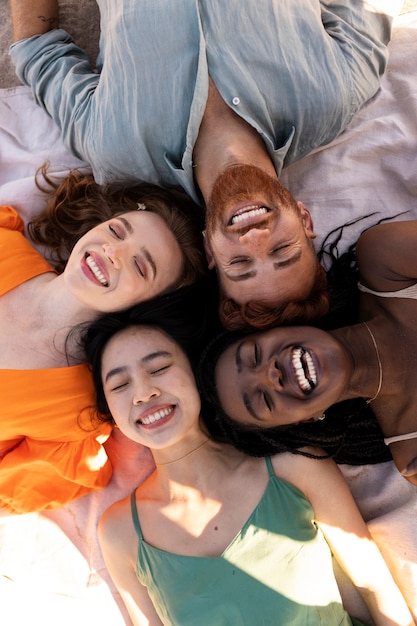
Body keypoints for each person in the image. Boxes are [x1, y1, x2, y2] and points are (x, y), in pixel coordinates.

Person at [9, 0, 401, 328]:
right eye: (282, 250)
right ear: (305, 219)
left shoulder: (118, 151)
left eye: (241, 264)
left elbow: (38, 50)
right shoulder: (333, 96)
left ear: (210, 253)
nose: (254, 238)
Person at [81, 306, 414, 626]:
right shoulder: (120, 532)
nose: (143, 392)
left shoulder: (294, 466)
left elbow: (375, 586)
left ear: (196, 375)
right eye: (120, 385)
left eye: (159, 368)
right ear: (111, 411)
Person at [0, 170, 206, 514]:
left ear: (148, 307)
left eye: (140, 266)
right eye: (116, 230)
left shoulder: (79, 414)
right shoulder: (5, 243)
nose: (112, 251)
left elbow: (10, 489)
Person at [198, 218, 417, 487]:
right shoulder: (412, 453)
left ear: (278, 326)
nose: (271, 374)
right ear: (306, 420)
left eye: (255, 355)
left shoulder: (385, 259)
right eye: (264, 400)